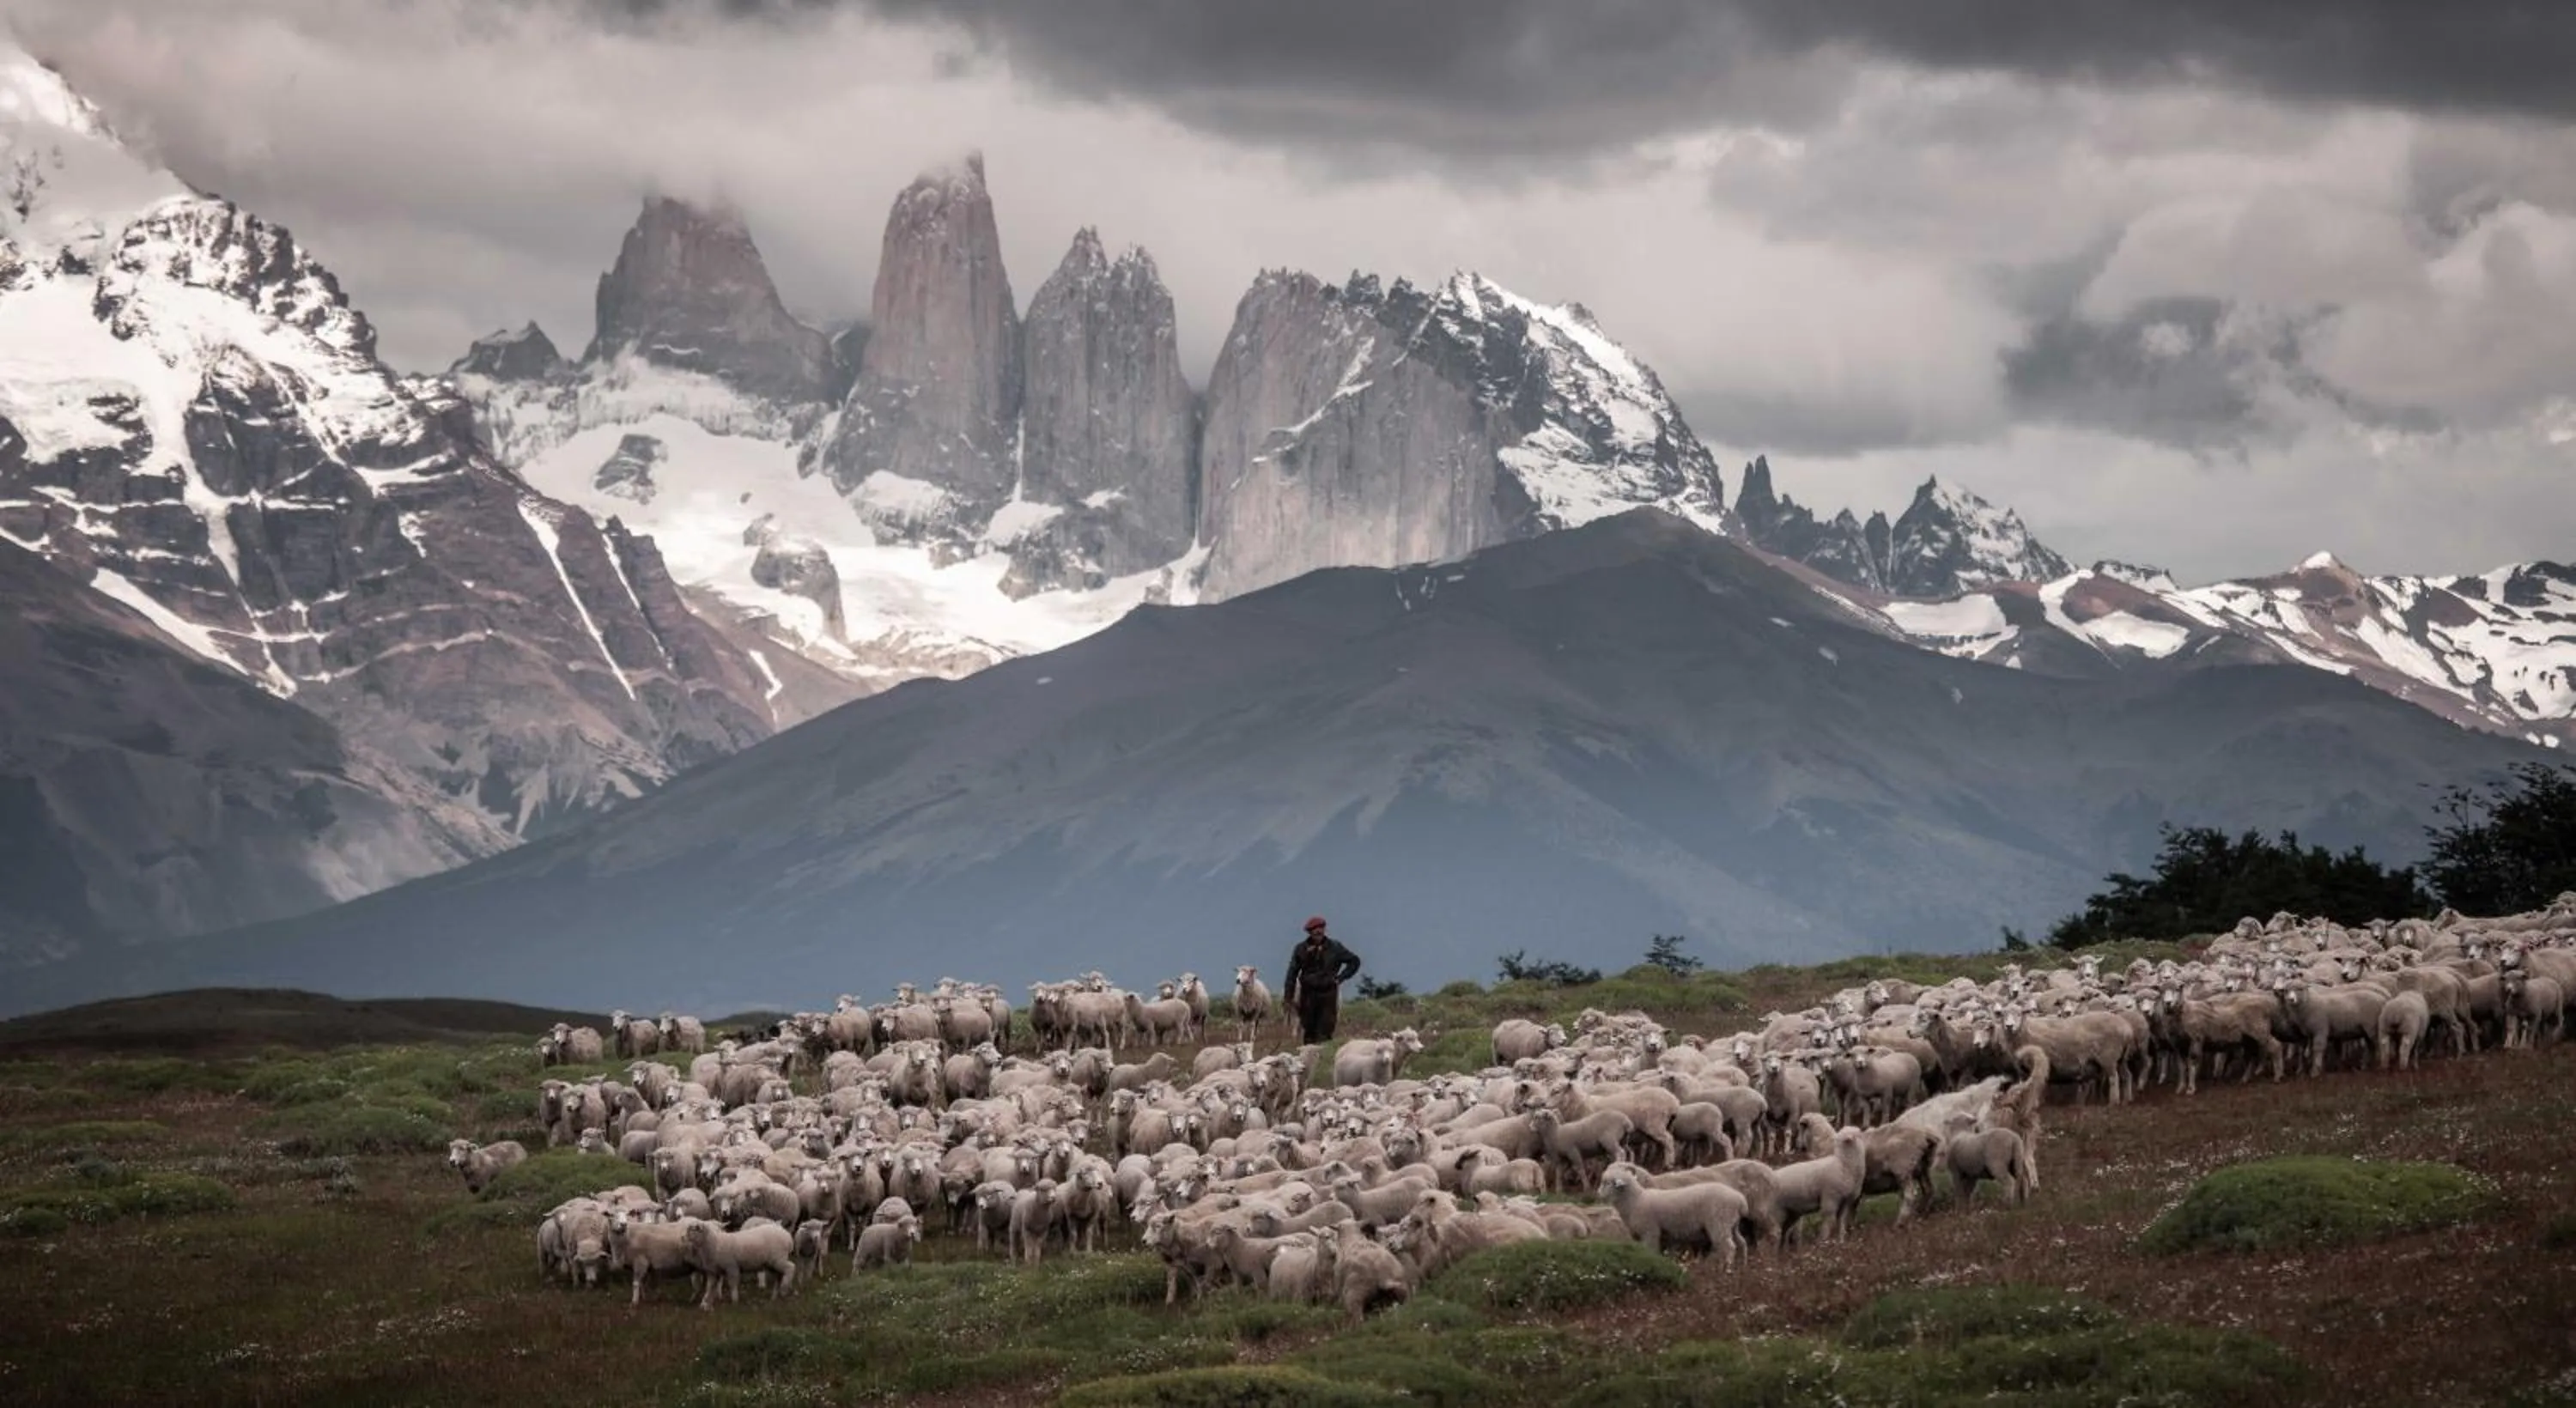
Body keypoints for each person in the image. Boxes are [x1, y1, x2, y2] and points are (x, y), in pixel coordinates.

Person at [1282, 915, 1363, 1045]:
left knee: (1325, 1031)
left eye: (1320, 928)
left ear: (1324, 930)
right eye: (1314, 930)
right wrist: (1288, 997)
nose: (1318, 932)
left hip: (1328, 994)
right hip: (1308, 995)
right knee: (1309, 1031)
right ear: (1310, 932)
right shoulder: (1300, 949)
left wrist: (1340, 978)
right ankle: (1308, 1059)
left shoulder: (1335, 947)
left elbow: (1354, 961)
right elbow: (1292, 973)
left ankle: (1323, 1060)